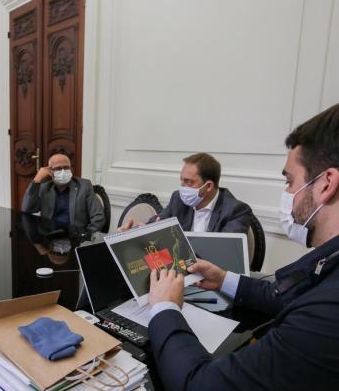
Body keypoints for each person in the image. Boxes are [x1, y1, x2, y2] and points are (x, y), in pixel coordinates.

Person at [148, 104, 339, 390]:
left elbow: (200, 385)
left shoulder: (326, 314)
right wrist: (225, 279)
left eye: (289, 182)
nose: (287, 194)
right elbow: (282, 293)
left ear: (326, 184)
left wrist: (164, 308)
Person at [124, 153, 252, 233]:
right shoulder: (178, 199)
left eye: (188, 182)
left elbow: (226, 252)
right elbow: (159, 222)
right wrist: (139, 231)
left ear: (208, 186)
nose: (182, 188)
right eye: (182, 181)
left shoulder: (236, 211)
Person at [21, 153, 105, 233]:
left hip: (75, 237)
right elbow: (27, 209)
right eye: (58, 168)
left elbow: (98, 217)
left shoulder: (84, 186)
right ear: (50, 171)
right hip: (50, 236)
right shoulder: (44, 187)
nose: (63, 171)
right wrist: (37, 179)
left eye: (66, 167)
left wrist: (86, 235)